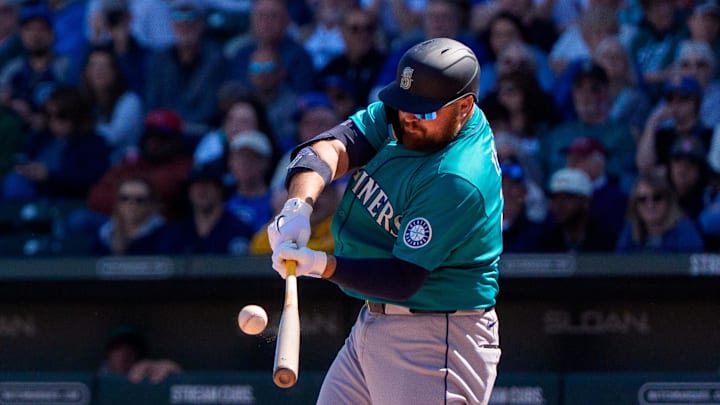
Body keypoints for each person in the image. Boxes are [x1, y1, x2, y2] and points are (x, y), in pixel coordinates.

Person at [268, 38, 501, 404]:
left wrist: (320, 264)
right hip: (375, 322)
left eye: (422, 112)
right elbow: (333, 146)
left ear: (464, 107)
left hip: (436, 337)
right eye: (404, 106)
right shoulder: (412, 115)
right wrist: (299, 206)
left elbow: (402, 278)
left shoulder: (457, 177)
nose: (408, 119)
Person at [616, 172, 705, 253]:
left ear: (668, 201)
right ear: (635, 205)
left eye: (657, 198)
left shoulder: (686, 230)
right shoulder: (630, 230)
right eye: (642, 199)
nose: (650, 205)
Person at [90, 176, 168, 256]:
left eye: (139, 200)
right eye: (124, 198)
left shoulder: (165, 235)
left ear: (151, 204)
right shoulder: (104, 235)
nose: (131, 204)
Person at [100, 325, 182, 383]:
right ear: (108, 354)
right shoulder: (98, 380)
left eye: (131, 348)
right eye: (118, 348)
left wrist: (173, 376)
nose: (125, 354)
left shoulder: (146, 379)